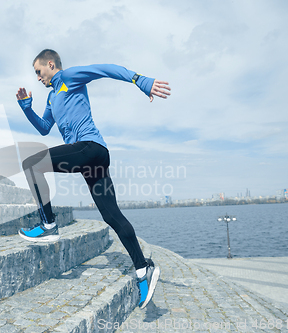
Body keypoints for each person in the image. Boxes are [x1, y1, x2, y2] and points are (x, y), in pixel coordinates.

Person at [15, 49, 171, 308]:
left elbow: (106, 69)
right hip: (93, 158)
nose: (38, 78)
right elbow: (44, 127)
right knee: (111, 216)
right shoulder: (53, 98)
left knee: (31, 164)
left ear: (50, 64)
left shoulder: (69, 77)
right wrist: (27, 110)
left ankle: (49, 225)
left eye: (39, 72)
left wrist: (140, 80)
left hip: (89, 147)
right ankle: (143, 270)